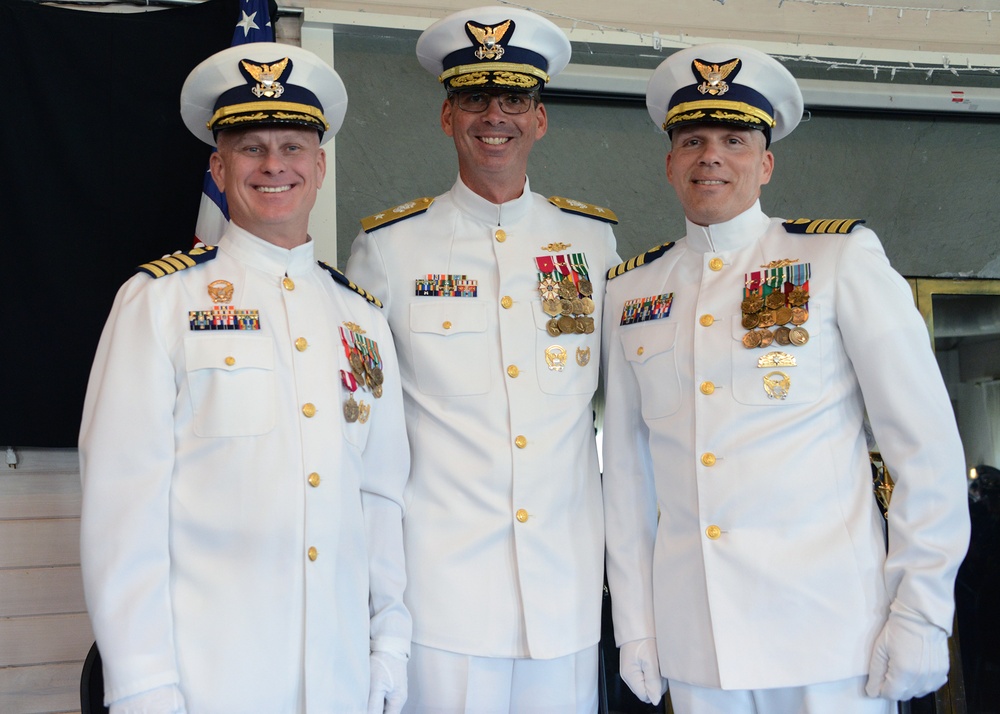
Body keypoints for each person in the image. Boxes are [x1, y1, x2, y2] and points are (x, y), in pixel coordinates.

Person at [601, 43, 971, 713]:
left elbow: (927, 449)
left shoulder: (836, 258)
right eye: (693, 140)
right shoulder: (631, 291)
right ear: (670, 162)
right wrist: (637, 628)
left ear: (765, 163)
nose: (711, 155)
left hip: (829, 636)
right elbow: (627, 478)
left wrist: (922, 613)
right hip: (697, 642)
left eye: (734, 139)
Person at [79, 42, 411, 714]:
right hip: (210, 678)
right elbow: (122, 511)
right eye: (250, 147)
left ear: (319, 166)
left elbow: (380, 497)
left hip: (341, 671)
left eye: (291, 146)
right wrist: (143, 684)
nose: (273, 165)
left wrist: (389, 642)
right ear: (218, 166)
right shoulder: (159, 303)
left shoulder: (360, 317)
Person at [345, 7, 620, 713]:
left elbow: (626, 411)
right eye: (474, 98)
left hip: (562, 594)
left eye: (514, 99)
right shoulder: (390, 248)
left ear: (540, 119)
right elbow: (362, 429)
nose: (494, 115)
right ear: (447, 116)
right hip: (443, 600)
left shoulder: (593, 245)